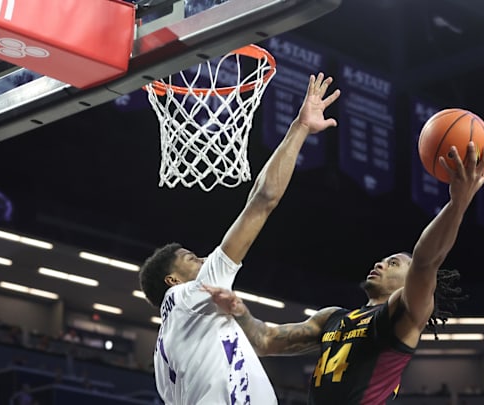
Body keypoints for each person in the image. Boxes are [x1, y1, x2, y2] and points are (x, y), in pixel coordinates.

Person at [204, 140, 484, 404]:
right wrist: (240, 311)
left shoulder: (402, 315)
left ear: (410, 280)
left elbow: (426, 261)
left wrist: (457, 204)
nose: (380, 264)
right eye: (383, 260)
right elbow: (265, 341)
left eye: (393, 263)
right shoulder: (331, 318)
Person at [138, 72, 341, 405]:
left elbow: (265, 340)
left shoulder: (165, 357)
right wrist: (300, 127)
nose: (204, 260)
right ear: (172, 280)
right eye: (192, 258)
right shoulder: (193, 294)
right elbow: (262, 201)